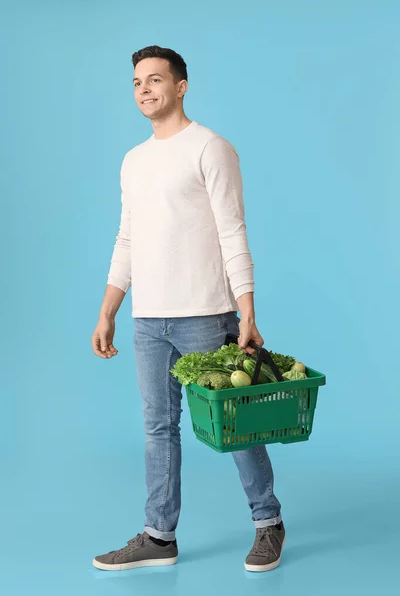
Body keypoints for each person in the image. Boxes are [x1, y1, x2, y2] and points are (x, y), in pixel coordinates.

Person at [91, 45, 285, 573]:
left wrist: (246, 312)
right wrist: (110, 308)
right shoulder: (133, 161)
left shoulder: (210, 148)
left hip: (205, 313)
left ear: (181, 86)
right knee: (159, 427)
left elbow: (232, 232)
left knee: (235, 423)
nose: (144, 89)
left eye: (155, 79)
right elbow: (127, 238)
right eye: (136, 82)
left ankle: (268, 521)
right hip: (148, 319)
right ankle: (159, 536)